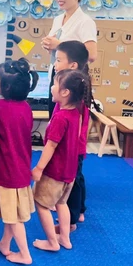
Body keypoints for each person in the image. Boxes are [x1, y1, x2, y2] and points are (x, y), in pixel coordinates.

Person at [0, 59, 39, 265]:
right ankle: (5, 243)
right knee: (12, 211)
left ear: (6, 86)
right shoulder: (26, 107)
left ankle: (25, 254)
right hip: (21, 166)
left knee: (13, 217)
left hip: (6, 169)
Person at [31, 69, 87, 252]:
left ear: (65, 92)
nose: (51, 88)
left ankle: (52, 242)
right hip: (69, 172)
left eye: (54, 84)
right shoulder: (76, 114)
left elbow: (51, 145)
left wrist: (39, 168)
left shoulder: (60, 118)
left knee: (41, 204)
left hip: (54, 172)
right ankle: (64, 238)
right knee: (61, 203)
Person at [41, 0, 97, 118]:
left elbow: (91, 54)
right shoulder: (58, 19)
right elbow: (59, 50)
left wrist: (59, 45)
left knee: (68, 122)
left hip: (72, 82)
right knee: (54, 119)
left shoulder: (85, 22)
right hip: (56, 76)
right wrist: (49, 45)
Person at [53, 41, 93, 229]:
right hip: (71, 147)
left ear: (73, 65)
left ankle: (72, 218)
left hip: (73, 147)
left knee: (74, 179)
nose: (55, 64)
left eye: (58, 60)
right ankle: (77, 210)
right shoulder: (70, 91)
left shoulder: (74, 98)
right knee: (75, 177)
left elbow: (78, 126)